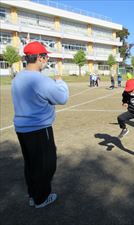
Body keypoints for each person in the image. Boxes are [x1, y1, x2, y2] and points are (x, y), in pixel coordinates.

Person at [11, 41, 69, 208]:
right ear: (38, 58)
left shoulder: (18, 77)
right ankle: (41, 198)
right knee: (46, 164)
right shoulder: (40, 79)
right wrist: (60, 82)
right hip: (39, 127)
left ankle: (33, 194)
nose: (46, 60)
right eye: (44, 57)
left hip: (22, 129)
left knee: (31, 164)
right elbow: (62, 98)